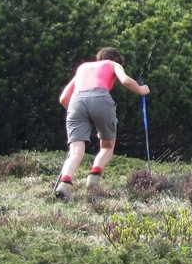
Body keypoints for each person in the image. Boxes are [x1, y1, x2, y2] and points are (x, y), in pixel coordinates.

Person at [54, 47, 150, 199]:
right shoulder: (113, 65)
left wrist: (81, 116)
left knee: (75, 152)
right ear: (115, 59)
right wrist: (141, 90)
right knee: (107, 145)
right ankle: (94, 177)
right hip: (100, 98)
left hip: (76, 102)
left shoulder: (82, 68)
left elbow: (63, 98)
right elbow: (125, 80)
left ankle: (64, 183)